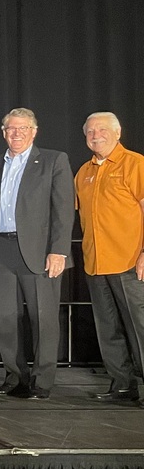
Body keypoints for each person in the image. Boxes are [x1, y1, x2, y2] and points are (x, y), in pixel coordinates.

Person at [0, 108, 75, 400]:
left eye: (22, 128)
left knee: (42, 317)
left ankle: (42, 381)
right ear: (3, 133)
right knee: (5, 317)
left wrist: (58, 251)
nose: (16, 133)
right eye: (10, 129)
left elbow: (63, 210)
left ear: (34, 131)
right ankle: (14, 377)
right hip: (0, 251)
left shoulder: (54, 160)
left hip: (39, 250)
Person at [74, 112, 144, 407]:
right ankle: (122, 384)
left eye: (102, 129)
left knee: (140, 327)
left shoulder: (135, 164)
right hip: (95, 263)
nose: (96, 135)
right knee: (108, 329)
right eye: (90, 131)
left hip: (129, 262)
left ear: (118, 133)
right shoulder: (83, 172)